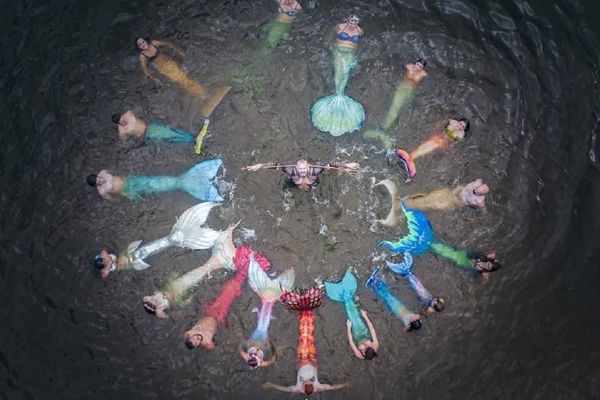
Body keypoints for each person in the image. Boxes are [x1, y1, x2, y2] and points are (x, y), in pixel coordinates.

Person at [378, 200, 501, 279]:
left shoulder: (484, 273)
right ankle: (427, 244)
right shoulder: (485, 258)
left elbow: (485, 279)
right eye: (489, 263)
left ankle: (425, 245)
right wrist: (494, 257)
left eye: (489, 267)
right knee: (439, 246)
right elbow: (493, 253)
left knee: (439, 251)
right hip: (460, 254)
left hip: (457, 261)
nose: (487, 265)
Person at [94, 203, 222, 279]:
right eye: (104, 261)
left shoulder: (104, 258)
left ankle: (174, 239)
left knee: (157, 245)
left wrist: (105, 258)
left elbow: (104, 251)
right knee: (157, 248)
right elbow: (104, 273)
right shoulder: (108, 267)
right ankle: (176, 240)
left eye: (104, 258)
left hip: (134, 252)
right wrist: (108, 265)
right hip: (133, 260)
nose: (106, 259)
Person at [142, 221, 239, 318]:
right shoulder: (162, 304)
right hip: (179, 288)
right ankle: (223, 256)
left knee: (202, 271)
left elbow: (148, 300)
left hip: (177, 287)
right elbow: (160, 309)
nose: (154, 302)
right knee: (202, 271)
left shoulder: (157, 299)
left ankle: (222, 256)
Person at [183, 245, 271, 350]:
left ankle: (241, 275)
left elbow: (184, 335)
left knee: (227, 291)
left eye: (194, 339)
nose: (197, 339)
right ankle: (245, 272)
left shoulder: (189, 332)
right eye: (197, 342)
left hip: (210, 311)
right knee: (230, 293)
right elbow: (213, 347)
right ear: (198, 345)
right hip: (220, 317)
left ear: (190, 337)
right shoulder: (206, 341)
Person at [263, 286, 347, 395]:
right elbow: (331, 387)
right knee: (309, 336)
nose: (307, 381)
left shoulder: (298, 388)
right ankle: (309, 310)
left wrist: (271, 385)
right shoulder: (317, 387)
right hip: (312, 358)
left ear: (303, 387)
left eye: (305, 383)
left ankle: (302, 311)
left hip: (301, 358)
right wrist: (345, 384)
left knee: (303, 335)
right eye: (309, 382)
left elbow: (286, 389)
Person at [310, 15, 365, 136]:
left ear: (358, 23)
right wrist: (332, 47)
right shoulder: (340, 27)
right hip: (339, 52)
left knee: (345, 75)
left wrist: (355, 56)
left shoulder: (359, 31)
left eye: (355, 21)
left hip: (350, 54)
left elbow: (359, 44)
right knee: (338, 74)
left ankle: (340, 96)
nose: (353, 23)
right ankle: (337, 95)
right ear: (348, 20)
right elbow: (330, 35)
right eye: (351, 20)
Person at [240, 255, 295, 368]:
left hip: (259, 329)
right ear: (259, 359)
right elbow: (269, 361)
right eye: (258, 355)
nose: (256, 352)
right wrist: (275, 355)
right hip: (264, 331)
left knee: (263, 319)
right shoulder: (262, 360)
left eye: (253, 354)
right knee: (265, 319)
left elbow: (241, 348)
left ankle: (266, 301)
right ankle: (268, 300)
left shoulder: (248, 353)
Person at [86, 158, 225, 202]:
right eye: (97, 183)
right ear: (95, 185)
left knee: (153, 181)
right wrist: (125, 196)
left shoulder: (104, 173)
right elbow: (113, 198)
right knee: (152, 187)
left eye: (98, 179)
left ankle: (188, 182)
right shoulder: (102, 191)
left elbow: (113, 171)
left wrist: (124, 176)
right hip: (129, 190)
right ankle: (190, 184)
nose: (100, 181)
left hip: (130, 180)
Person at [363, 58, 428, 148]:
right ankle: (384, 128)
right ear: (415, 63)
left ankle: (387, 127)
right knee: (395, 107)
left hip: (410, 92)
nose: (418, 67)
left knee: (402, 109)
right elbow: (403, 65)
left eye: (420, 67)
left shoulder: (422, 74)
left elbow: (424, 75)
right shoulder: (409, 67)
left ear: (422, 68)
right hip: (402, 88)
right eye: (417, 64)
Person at [375, 178, 490, 227]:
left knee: (427, 204)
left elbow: (484, 211)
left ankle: (400, 206)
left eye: (478, 192)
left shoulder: (479, 201)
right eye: (478, 189)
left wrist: (482, 214)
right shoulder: (476, 183)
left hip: (451, 203)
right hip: (448, 193)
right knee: (426, 198)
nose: (476, 191)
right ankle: (401, 205)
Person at [324, 269, 379, 360]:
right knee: (357, 315)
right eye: (367, 347)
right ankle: (348, 291)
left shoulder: (359, 354)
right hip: (364, 330)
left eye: (364, 350)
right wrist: (366, 317)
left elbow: (351, 343)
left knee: (352, 317)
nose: (365, 347)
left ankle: (341, 294)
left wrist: (348, 327)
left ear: (363, 354)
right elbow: (372, 330)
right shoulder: (375, 345)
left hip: (356, 334)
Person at [394, 117, 471, 180]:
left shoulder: (460, 135)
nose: (460, 126)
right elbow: (441, 124)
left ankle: (411, 157)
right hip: (439, 136)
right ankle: (411, 157)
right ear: (458, 121)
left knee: (432, 146)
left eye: (463, 127)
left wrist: (447, 147)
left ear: (464, 129)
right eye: (460, 123)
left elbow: (455, 144)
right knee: (429, 143)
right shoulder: (452, 122)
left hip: (444, 144)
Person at [242, 159, 360, 191]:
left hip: (312, 186)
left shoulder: (316, 170)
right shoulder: (291, 171)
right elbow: (275, 165)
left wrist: (346, 165)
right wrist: (260, 165)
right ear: (296, 168)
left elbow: (331, 165)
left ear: (308, 167)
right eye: (300, 169)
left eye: (304, 169)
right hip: (294, 185)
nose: (302, 171)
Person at [112, 110, 195, 143]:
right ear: (118, 124)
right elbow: (124, 141)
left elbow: (138, 112)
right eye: (121, 122)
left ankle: (191, 138)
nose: (124, 122)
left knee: (170, 132)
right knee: (169, 138)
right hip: (145, 136)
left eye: (123, 119)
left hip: (150, 128)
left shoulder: (128, 114)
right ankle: (191, 139)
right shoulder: (122, 130)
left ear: (122, 115)